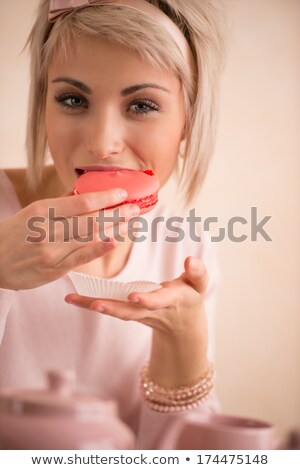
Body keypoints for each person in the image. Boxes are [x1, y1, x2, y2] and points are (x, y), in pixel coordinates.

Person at [0, 0, 225, 449]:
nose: (102, 144)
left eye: (141, 105)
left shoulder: (186, 249)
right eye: (72, 99)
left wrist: (183, 347)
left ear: (188, 121)